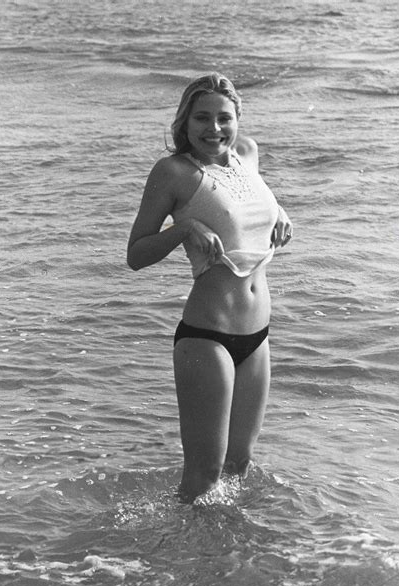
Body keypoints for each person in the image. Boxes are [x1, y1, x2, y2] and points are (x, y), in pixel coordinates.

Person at [127, 73, 293, 503]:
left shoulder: (247, 154)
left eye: (224, 118)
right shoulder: (174, 172)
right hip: (207, 336)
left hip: (257, 336)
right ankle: (177, 562)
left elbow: (245, 204)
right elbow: (136, 253)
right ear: (184, 121)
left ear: (238, 118)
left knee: (240, 463)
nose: (213, 129)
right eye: (202, 118)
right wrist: (183, 229)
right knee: (204, 472)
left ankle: (225, 563)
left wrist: (279, 212)